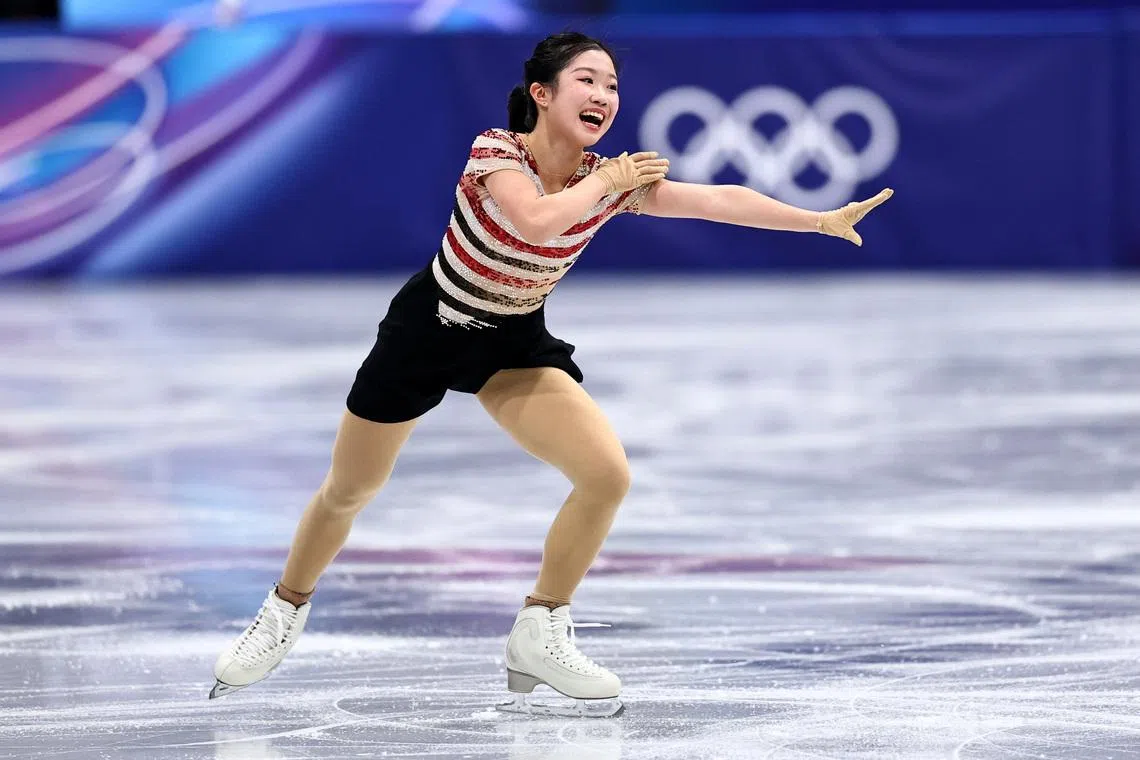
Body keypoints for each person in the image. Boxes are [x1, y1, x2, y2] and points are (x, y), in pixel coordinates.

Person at [209, 31, 893, 716]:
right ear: (542, 94)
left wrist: (821, 220)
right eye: (587, 81)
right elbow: (536, 221)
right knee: (350, 490)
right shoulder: (496, 151)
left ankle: (540, 627)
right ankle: (284, 609)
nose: (603, 96)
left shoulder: (609, 180)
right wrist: (608, 182)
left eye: (613, 86)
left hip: (512, 339)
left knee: (606, 475)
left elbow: (716, 200)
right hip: (427, 330)